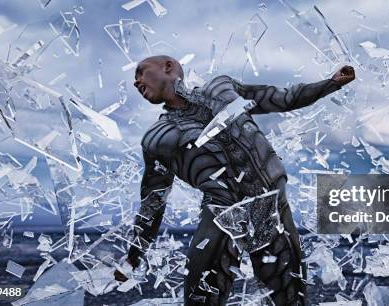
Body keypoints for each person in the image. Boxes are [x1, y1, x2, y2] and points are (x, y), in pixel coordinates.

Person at [115, 54, 355, 305]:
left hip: (270, 206)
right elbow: (153, 203)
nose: (136, 82)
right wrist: (133, 257)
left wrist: (332, 82)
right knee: (200, 299)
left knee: (289, 298)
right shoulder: (157, 138)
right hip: (221, 214)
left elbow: (282, 98)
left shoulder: (222, 89)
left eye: (141, 72)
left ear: (168, 67)